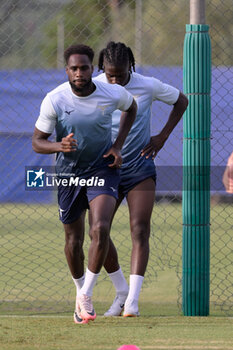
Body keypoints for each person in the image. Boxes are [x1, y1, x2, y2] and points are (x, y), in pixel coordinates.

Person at [32, 44, 137, 324]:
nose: (79, 73)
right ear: (67, 70)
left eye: (84, 67)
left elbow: (132, 107)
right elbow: (37, 142)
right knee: (73, 241)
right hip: (69, 174)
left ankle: (87, 295)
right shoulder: (55, 99)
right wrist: (58, 145)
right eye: (74, 68)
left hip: (103, 168)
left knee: (100, 228)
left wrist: (118, 145)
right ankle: (81, 293)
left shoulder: (112, 92)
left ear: (94, 69)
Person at [94, 41, 188, 317]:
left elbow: (182, 100)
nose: (115, 80)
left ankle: (133, 302)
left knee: (139, 229)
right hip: (106, 170)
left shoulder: (148, 85)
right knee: (98, 231)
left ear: (130, 68)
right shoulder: (95, 86)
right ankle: (121, 291)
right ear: (102, 70)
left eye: (120, 75)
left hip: (140, 169)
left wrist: (162, 136)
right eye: (110, 75)